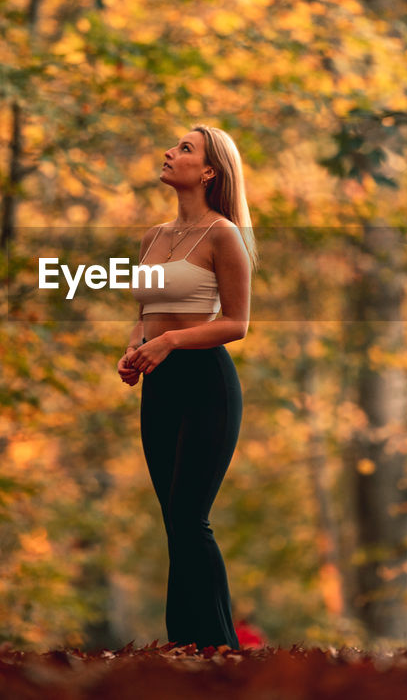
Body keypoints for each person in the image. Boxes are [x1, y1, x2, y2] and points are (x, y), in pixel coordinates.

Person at [118, 124, 257, 651]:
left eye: (184, 149)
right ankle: (185, 649)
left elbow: (237, 324)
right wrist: (135, 349)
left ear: (207, 172)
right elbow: (144, 315)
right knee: (172, 521)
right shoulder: (152, 238)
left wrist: (172, 341)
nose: (169, 152)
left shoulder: (223, 234)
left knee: (189, 517)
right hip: (161, 384)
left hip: (207, 383)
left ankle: (220, 647)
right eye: (173, 145)